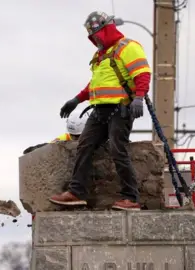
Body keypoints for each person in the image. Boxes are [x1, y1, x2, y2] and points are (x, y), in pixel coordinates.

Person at [48, 11, 151, 211]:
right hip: (99, 110)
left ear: (105, 29)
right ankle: (76, 193)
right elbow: (95, 84)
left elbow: (142, 73)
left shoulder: (128, 47)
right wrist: (76, 100)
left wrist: (138, 97)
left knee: (117, 149)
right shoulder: (101, 55)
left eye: (96, 34)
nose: (94, 39)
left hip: (120, 108)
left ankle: (131, 197)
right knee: (84, 145)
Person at [22, 112, 89, 155]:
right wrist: (36, 148)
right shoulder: (64, 138)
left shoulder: (93, 137)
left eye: (77, 136)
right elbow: (50, 146)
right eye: (73, 136)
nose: (75, 138)